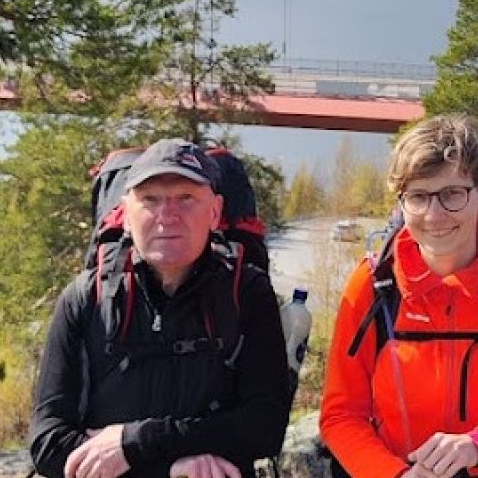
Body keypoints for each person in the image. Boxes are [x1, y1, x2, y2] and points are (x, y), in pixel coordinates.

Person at [321, 116, 478, 478]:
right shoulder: (373, 284)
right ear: (400, 203)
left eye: (452, 194)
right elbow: (340, 415)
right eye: (418, 197)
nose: (435, 215)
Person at [31, 139, 291, 478]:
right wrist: (173, 467)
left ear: (214, 212)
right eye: (150, 199)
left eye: (186, 198)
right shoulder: (86, 298)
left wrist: (134, 442)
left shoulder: (246, 292)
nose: (167, 215)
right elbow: (48, 444)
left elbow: (265, 428)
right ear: (126, 214)